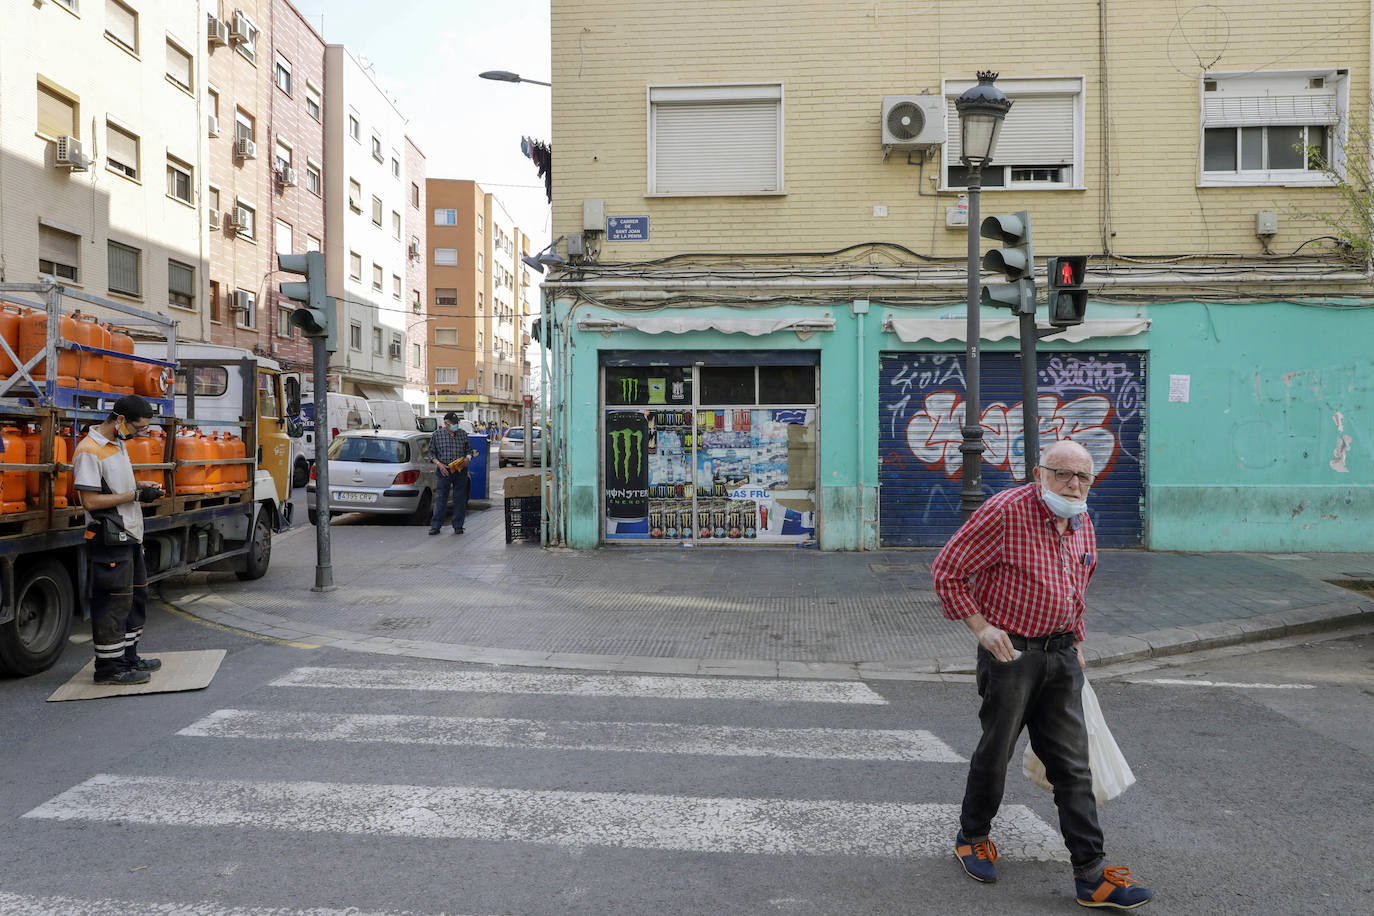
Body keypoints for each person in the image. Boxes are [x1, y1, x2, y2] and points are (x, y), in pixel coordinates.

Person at [931, 439, 1153, 911]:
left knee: (1074, 765)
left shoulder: (1082, 518)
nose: (1073, 484)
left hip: (1062, 656)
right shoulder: (1005, 512)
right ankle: (973, 837)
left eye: (1083, 477)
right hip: (1011, 654)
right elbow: (947, 570)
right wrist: (982, 628)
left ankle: (1091, 875)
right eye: (1062, 473)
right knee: (997, 751)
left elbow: (1079, 581)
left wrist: (1075, 639)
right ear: (1038, 473)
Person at [73, 395, 165, 686]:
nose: (141, 434)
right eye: (138, 428)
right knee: (112, 603)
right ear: (120, 420)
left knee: (134, 599)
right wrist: (135, 495)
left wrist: (139, 486)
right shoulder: (89, 450)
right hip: (108, 537)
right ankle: (109, 669)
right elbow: (90, 500)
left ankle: (128, 658)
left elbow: (115, 487)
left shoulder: (119, 445)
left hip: (129, 534)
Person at [428, 411, 472, 535]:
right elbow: (431, 453)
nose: (455, 425)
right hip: (444, 470)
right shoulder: (437, 435)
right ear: (446, 424)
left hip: (460, 470)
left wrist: (467, 459)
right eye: (452, 423)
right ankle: (435, 526)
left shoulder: (462, 434)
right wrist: (439, 464)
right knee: (441, 498)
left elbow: (469, 450)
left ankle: (458, 526)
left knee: (460, 499)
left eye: (456, 423)